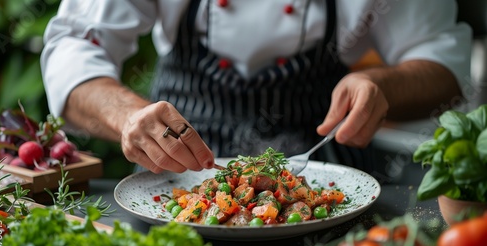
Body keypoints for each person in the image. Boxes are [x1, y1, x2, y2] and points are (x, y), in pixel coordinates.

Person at [40, 0, 472, 175]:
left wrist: (383, 84)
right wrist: (127, 116)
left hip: (325, 162)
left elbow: (445, 67)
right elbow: (73, 46)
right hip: (177, 172)